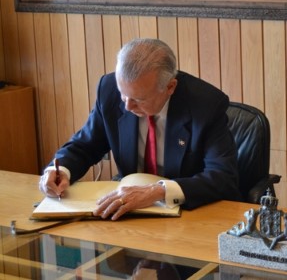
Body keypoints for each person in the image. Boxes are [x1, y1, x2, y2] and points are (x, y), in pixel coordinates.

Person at [39, 38, 242, 220]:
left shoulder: (206, 105)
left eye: (138, 99)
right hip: (127, 214)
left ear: (170, 87)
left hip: (189, 214)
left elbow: (223, 177)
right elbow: (85, 145)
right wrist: (60, 170)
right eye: (123, 94)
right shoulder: (108, 89)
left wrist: (157, 192)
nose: (127, 106)